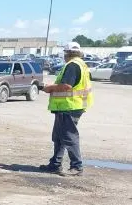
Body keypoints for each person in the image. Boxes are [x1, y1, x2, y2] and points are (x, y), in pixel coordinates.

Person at [39, 41, 93, 176]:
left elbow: (67, 86)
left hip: (70, 106)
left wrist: (49, 88)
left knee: (69, 137)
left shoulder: (73, 65)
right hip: (70, 106)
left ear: (67, 53)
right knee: (59, 136)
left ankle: (77, 166)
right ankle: (55, 164)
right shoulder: (81, 64)